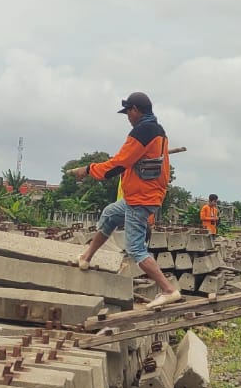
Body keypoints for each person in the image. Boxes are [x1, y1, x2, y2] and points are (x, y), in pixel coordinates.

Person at [66, 93, 183, 309]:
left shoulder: (143, 131)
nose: (128, 117)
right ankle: (86, 257)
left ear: (135, 110)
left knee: (135, 248)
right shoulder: (157, 130)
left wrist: (89, 169)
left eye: (128, 113)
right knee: (110, 213)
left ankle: (168, 290)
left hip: (141, 198)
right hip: (139, 195)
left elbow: (120, 163)